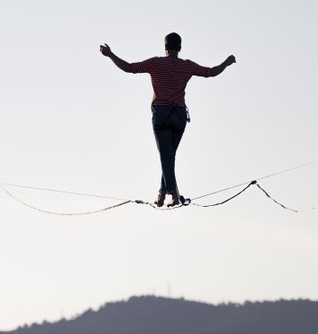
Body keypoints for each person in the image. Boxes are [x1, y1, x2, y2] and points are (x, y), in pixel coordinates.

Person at [100, 33, 236, 207]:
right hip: (179, 115)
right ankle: (161, 194)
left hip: (162, 114)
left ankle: (173, 193)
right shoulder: (187, 66)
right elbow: (211, 72)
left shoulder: (156, 63)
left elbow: (129, 68)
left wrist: (110, 55)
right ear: (180, 48)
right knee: (169, 157)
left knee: (166, 157)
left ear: (165, 47)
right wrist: (227, 62)